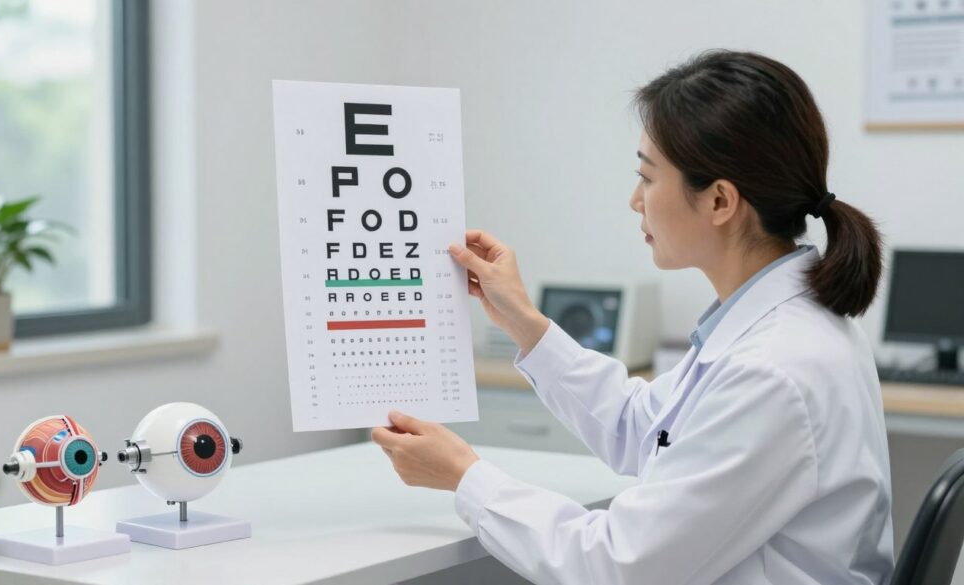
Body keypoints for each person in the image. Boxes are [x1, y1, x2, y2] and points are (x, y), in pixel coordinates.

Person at [371, 50, 893, 585]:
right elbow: (642, 426)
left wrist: (465, 478)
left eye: (647, 178)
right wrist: (523, 321)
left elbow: (618, 566)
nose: (634, 200)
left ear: (719, 201)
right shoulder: (778, 324)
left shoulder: (772, 370)